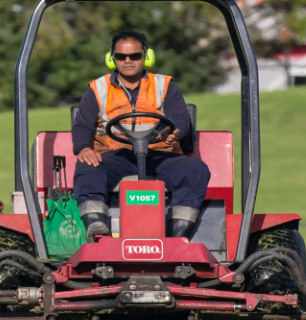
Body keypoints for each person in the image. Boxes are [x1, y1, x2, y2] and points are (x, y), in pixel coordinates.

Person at [71, 31, 209, 238]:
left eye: (135, 56)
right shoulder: (97, 88)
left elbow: (180, 117)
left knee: (195, 169)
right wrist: (83, 148)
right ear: (112, 58)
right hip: (115, 156)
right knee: (87, 167)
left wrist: (175, 131)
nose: (128, 61)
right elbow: (82, 125)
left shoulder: (165, 85)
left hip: (159, 155)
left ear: (146, 56)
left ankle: (177, 233)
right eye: (121, 56)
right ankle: (97, 226)